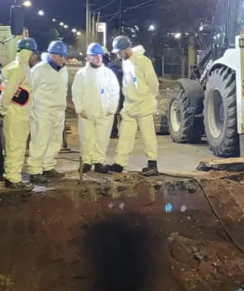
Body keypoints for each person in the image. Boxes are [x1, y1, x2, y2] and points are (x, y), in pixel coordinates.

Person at [110, 35, 159, 177]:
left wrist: (147, 97)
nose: (118, 55)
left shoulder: (142, 61)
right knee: (125, 135)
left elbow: (153, 83)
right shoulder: (127, 62)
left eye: (119, 52)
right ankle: (119, 163)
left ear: (126, 49)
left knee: (148, 136)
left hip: (143, 105)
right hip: (130, 106)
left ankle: (152, 164)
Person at [71, 43, 121, 173]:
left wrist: (111, 109)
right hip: (86, 113)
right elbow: (77, 92)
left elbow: (114, 91)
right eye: (95, 56)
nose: (98, 58)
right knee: (86, 137)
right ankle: (86, 161)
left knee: (102, 138)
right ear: (88, 57)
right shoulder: (81, 74)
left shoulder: (108, 74)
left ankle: (99, 161)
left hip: (104, 113)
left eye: (100, 56)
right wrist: (80, 109)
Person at [0, 37, 37, 190]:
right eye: (33, 53)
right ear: (27, 52)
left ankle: (13, 177)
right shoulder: (18, 69)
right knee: (15, 146)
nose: (35, 57)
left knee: (16, 146)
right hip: (16, 115)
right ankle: (13, 179)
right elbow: (7, 92)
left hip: (20, 115)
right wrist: (2, 110)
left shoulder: (21, 68)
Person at [27, 40, 69, 183]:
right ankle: (35, 170)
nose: (63, 59)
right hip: (42, 112)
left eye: (64, 56)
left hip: (58, 112)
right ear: (52, 55)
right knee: (40, 141)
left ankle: (48, 166)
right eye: (60, 56)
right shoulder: (40, 70)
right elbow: (29, 90)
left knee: (54, 141)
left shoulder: (63, 70)